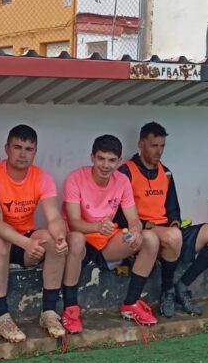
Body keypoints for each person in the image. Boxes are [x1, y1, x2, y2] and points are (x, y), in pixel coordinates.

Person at [0, 124, 85, 341]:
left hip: (25, 236)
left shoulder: (42, 177)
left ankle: (49, 312)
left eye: (29, 149)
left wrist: (60, 236)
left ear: (35, 151)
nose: (23, 154)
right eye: (17, 147)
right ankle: (1, 317)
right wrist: (26, 244)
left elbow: (54, 217)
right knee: (0, 243)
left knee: (53, 241)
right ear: (7, 149)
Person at [116, 122, 208, 318]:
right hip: (144, 231)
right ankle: (167, 290)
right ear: (141, 144)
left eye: (162, 146)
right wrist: (152, 227)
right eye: (154, 145)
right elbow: (119, 215)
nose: (159, 151)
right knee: (173, 236)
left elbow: (173, 209)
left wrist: (175, 224)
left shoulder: (166, 172)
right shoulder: (125, 172)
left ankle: (183, 285)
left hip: (169, 233)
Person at [64, 135, 160, 328]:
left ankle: (131, 304)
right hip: (81, 241)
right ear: (92, 157)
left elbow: (133, 218)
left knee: (150, 239)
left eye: (111, 160)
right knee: (76, 240)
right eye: (101, 158)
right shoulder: (75, 178)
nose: (105, 165)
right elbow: (73, 223)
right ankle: (70, 308)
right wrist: (97, 227)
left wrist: (135, 231)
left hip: (106, 241)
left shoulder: (122, 180)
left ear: (119, 161)